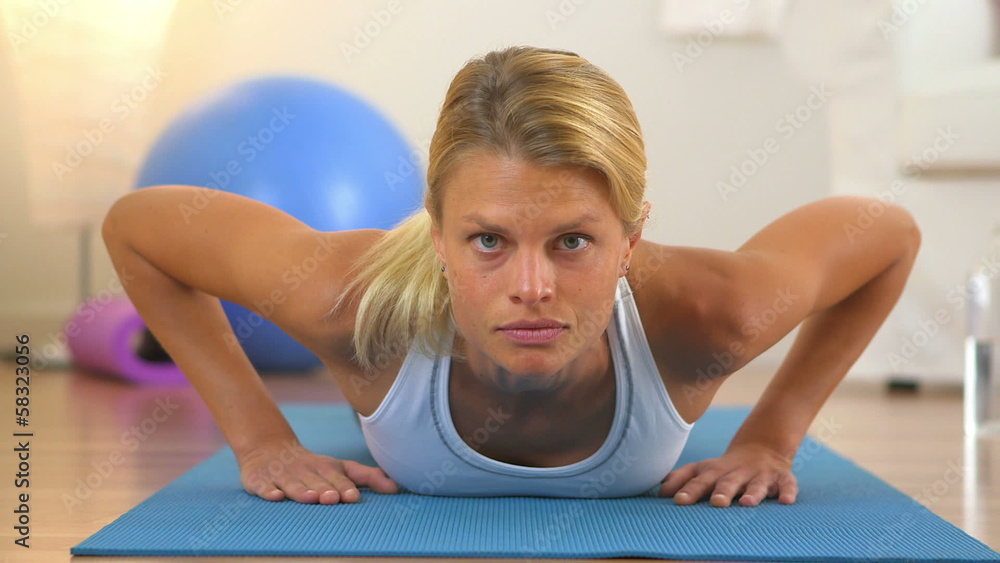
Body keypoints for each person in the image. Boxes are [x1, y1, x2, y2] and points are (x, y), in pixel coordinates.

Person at [102, 45, 921, 508]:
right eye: (488, 240)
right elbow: (137, 228)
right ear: (436, 228)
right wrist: (258, 433)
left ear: (632, 237)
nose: (531, 286)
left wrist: (774, 431)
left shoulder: (711, 317)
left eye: (572, 242)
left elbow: (886, 234)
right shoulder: (354, 306)